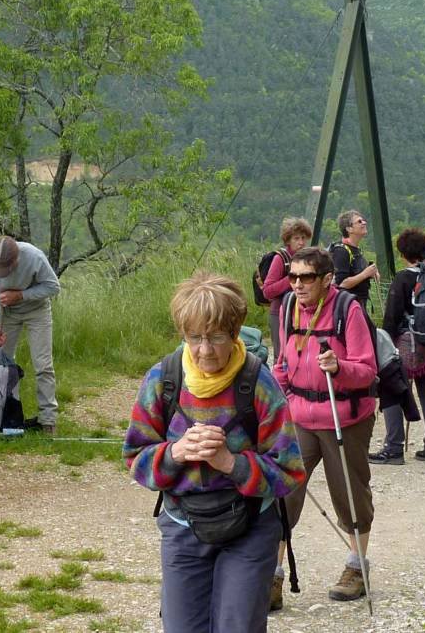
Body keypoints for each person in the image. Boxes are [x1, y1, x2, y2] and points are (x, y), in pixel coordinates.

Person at [123, 272, 305, 633]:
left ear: (235, 333)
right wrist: (175, 453)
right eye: (195, 337)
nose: (205, 350)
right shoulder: (164, 379)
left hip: (250, 526)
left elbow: (290, 471)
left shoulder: (258, 382)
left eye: (217, 337)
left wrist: (231, 463)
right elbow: (135, 459)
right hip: (183, 525)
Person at [276, 247, 378, 603]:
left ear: (327, 279)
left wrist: (339, 367)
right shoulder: (288, 307)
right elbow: (282, 362)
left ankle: (357, 568)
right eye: (293, 276)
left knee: (349, 493)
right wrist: (274, 397)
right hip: (299, 416)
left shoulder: (348, 309)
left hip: (344, 416)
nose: (297, 284)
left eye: (306, 277)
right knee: (281, 494)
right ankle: (272, 576)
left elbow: (367, 370)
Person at [369, 229, 425, 465]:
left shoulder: (404, 278)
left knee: (392, 389)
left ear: (403, 254)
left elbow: (391, 319)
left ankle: (394, 448)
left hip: (409, 346)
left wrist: (383, 345)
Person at [0, 236, 61, 434]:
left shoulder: (34, 256)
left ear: (15, 261)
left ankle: (48, 420)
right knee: (1, 365)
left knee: (43, 365)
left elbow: (53, 286)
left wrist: (21, 295)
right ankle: (2, 416)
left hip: (37, 311)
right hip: (7, 313)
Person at [257, 216, 312, 363]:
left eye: (303, 238)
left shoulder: (307, 258)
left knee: (301, 354)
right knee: (281, 357)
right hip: (280, 313)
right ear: (288, 240)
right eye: (296, 238)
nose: (301, 242)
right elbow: (268, 290)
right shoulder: (280, 259)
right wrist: (292, 278)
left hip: (302, 312)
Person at [330, 210, 381, 308]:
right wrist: (365, 274)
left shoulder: (356, 250)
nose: (364, 223)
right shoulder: (341, 251)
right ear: (349, 229)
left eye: (363, 220)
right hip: (348, 307)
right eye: (359, 221)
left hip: (358, 305)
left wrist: (371, 274)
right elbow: (341, 283)